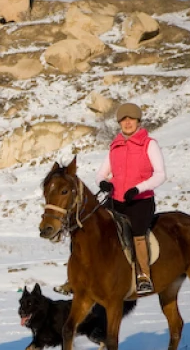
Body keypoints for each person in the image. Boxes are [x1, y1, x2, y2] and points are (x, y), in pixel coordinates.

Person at [57, 102, 167, 296]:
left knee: (137, 234)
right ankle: (75, 278)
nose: (127, 123)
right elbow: (101, 174)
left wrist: (138, 188)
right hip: (115, 200)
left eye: (131, 119)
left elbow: (160, 175)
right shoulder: (115, 146)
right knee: (85, 228)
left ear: (138, 121)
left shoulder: (149, 144)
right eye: (123, 120)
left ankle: (143, 276)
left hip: (140, 201)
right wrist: (103, 183)